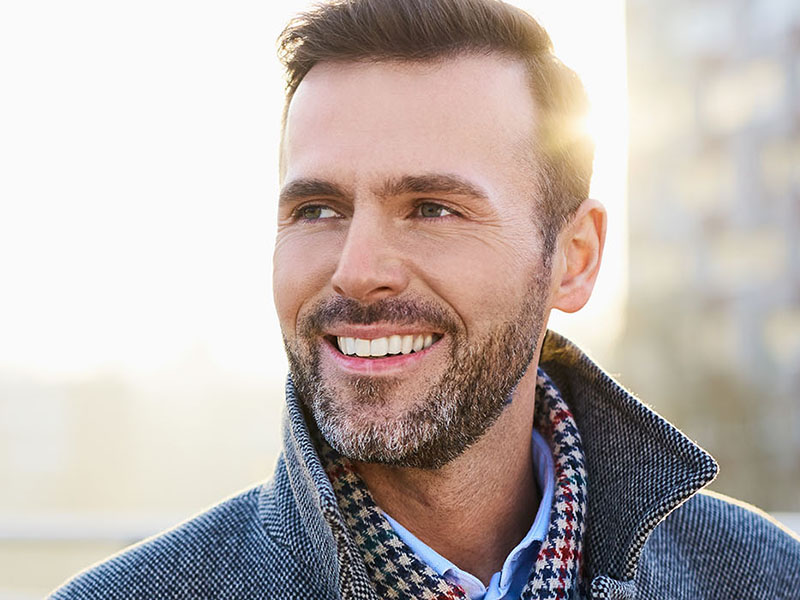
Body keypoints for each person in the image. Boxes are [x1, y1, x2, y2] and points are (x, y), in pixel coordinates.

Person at [51, 0, 800, 598]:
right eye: (318, 210)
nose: (357, 270)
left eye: (433, 208)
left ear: (574, 259)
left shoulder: (766, 579)